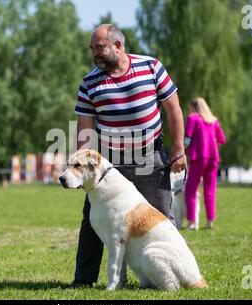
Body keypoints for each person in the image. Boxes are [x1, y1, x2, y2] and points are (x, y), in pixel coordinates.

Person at [68, 24, 186, 289]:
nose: (94, 54)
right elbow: (85, 131)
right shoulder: (89, 83)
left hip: (150, 159)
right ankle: (84, 279)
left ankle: (176, 272)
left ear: (118, 46)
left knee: (161, 217)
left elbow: (174, 108)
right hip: (110, 167)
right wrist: (80, 171)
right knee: (92, 219)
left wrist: (178, 150)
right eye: (92, 49)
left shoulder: (151, 67)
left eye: (99, 48)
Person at [184, 97, 226, 230]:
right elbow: (222, 139)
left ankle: (192, 223)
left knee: (190, 190)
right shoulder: (213, 120)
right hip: (213, 159)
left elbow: (187, 139)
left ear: (194, 107)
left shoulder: (192, 118)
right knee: (209, 191)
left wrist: (181, 150)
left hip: (198, 158)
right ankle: (209, 222)